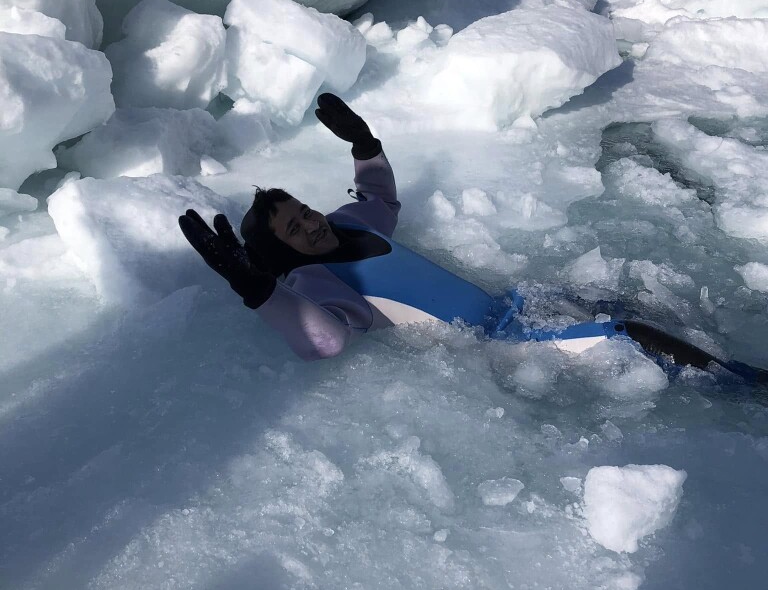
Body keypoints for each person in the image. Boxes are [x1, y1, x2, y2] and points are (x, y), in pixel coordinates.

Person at [179, 94, 767, 382]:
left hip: (512, 305)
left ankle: (719, 349)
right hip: (504, 344)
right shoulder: (313, 283)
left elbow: (379, 196)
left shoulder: (349, 223)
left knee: (622, 299)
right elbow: (324, 342)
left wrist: (364, 142)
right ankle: (745, 387)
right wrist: (256, 290)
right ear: (281, 251)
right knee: (631, 334)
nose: (311, 222)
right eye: (294, 227)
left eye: (304, 210)